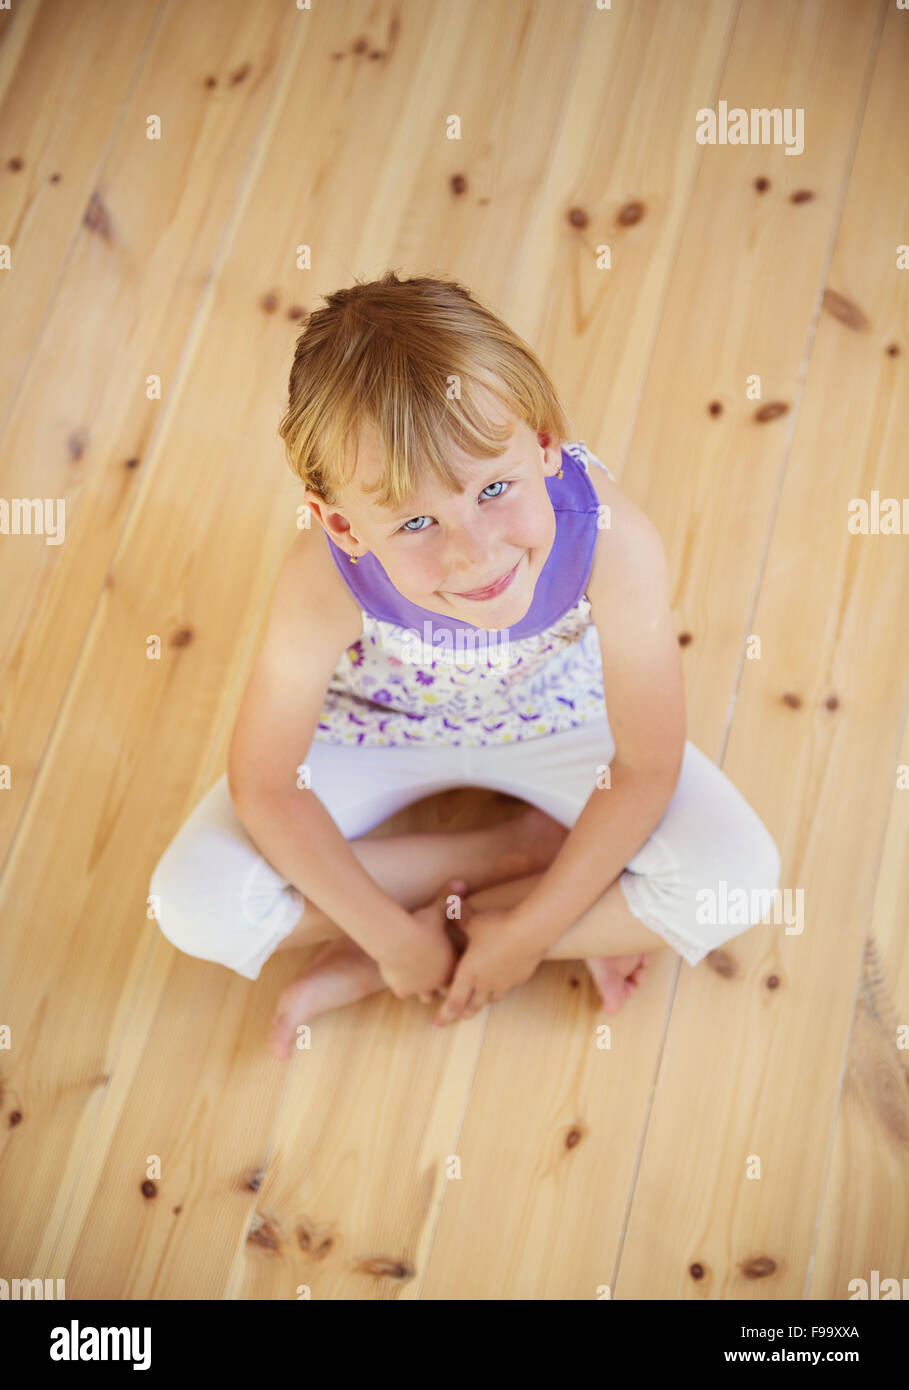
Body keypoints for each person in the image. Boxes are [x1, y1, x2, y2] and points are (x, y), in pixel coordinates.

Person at [148, 271, 781, 1060]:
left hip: (558, 718)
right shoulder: (319, 578)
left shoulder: (614, 542)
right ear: (341, 524)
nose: (474, 553)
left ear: (545, 444)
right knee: (190, 905)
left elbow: (646, 767)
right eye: (414, 521)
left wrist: (526, 937)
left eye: (494, 488)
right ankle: (512, 853)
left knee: (739, 879)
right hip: (377, 730)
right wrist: (389, 941)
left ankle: (478, 916)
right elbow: (268, 786)